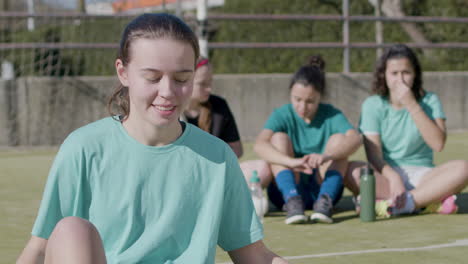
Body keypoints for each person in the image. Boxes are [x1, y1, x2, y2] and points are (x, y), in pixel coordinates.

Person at [16, 13, 288, 264]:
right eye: (153, 77)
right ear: (123, 72)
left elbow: (255, 256)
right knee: (70, 231)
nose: (168, 91)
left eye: (182, 78)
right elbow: (41, 248)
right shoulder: (83, 149)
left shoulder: (217, 157)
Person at [346, 44, 468, 217]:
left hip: (425, 176)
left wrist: (411, 104)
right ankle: (428, 201)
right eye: (394, 74)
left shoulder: (430, 100)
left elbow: (438, 143)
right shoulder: (372, 105)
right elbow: (374, 156)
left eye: (406, 73)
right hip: (388, 174)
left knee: (464, 169)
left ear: (415, 74)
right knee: (352, 171)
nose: (400, 80)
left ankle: (401, 204)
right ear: (384, 76)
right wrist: (394, 178)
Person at [253, 55, 361, 225]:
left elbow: (356, 139)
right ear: (290, 94)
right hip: (285, 190)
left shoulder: (332, 114)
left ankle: (325, 201)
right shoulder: (282, 114)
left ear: (320, 97)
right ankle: (292, 200)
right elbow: (259, 144)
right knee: (278, 139)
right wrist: (291, 161)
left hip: (321, 185)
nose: (302, 107)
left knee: (340, 140)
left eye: (310, 101)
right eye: (297, 99)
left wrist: (327, 156)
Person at [183, 57, 243, 158]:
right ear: (184, 80)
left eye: (210, 81)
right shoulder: (171, 110)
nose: (209, 88)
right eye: (202, 83)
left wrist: (213, 160)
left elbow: (237, 149)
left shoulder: (219, 106)